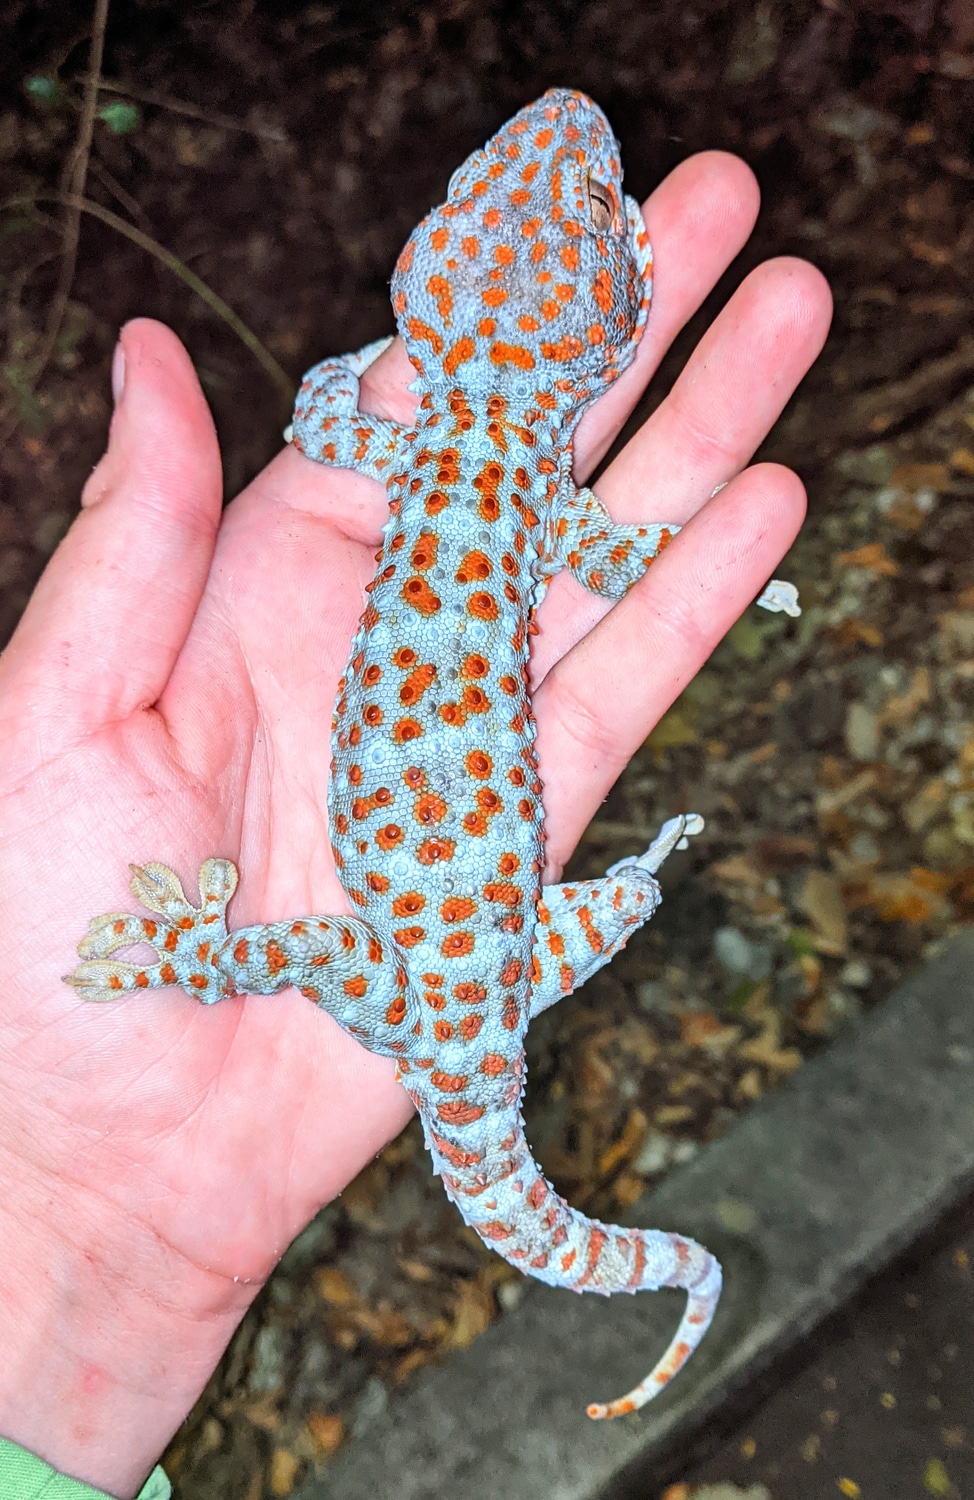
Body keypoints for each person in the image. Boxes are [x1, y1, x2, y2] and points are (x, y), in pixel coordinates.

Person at [0, 149, 830, 1499]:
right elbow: (625, 556)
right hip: (472, 949)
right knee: (389, 946)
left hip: (478, 948)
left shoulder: (407, 441)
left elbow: (333, 417)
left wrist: (333, 392)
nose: (560, 133)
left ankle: (202, 958)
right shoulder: (541, 505)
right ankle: (613, 965)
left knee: (360, 951)